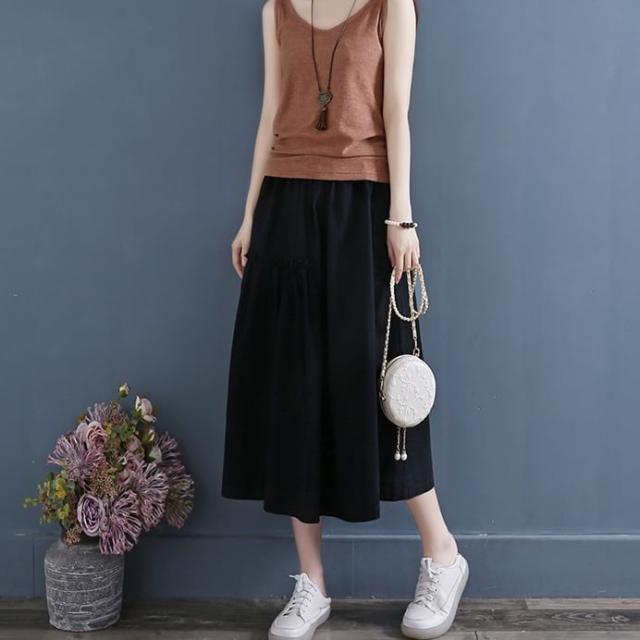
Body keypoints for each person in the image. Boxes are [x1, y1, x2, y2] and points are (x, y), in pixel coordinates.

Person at [221, 0, 468, 638]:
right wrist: (250, 216)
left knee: (377, 385)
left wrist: (401, 215)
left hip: (365, 206)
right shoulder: (277, 9)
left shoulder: (391, 6)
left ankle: (443, 553)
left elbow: (396, 111)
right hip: (285, 204)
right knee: (295, 390)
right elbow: (270, 114)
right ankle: (312, 584)